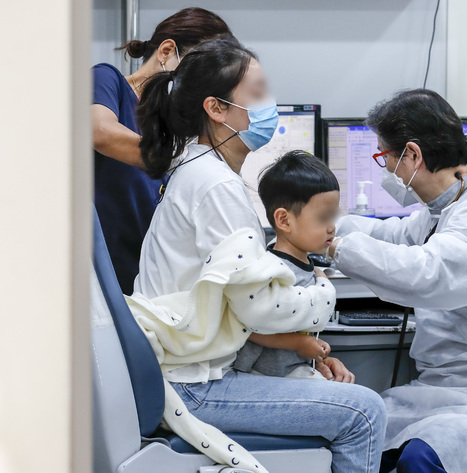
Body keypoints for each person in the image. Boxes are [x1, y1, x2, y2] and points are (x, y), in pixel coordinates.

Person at [129, 38, 386, 473]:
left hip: (183, 369)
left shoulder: (197, 169)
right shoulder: (216, 186)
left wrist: (311, 355)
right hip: (194, 384)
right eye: (258, 93)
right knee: (365, 412)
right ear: (217, 108)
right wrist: (323, 290)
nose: (270, 105)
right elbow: (264, 311)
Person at [325, 89, 467, 473]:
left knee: (422, 456)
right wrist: (324, 225)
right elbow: (396, 237)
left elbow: (427, 271)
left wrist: (338, 249)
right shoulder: (446, 209)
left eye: (385, 157)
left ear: (413, 155)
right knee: (356, 430)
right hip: (440, 390)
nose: (386, 170)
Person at [92, 7, 231, 294]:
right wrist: (178, 162)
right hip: (99, 274)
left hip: (147, 280)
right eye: (197, 73)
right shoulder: (108, 81)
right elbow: (100, 132)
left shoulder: (177, 126)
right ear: (167, 51)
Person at [234, 150, 341, 380]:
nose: (332, 227)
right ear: (284, 220)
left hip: (293, 371)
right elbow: (250, 326)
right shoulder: (272, 271)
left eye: (334, 217)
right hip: (263, 377)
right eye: (323, 218)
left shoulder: (306, 266)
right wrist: (298, 343)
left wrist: (322, 359)